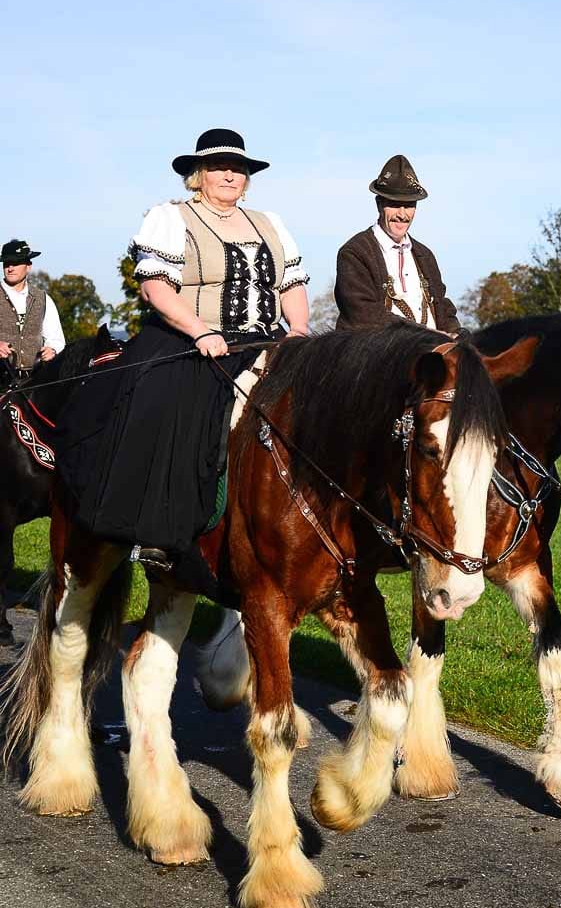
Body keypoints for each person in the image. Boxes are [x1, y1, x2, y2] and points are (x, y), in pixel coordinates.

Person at [56, 128, 309, 574]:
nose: (230, 175)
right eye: (219, 167)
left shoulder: (270, 223)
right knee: (171, 400)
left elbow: (290, 284)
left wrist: (300, 328)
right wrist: (199, 331)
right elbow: (155, 288)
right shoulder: (171, 218)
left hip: (266, 339)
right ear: (198, 175)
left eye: (238, 169)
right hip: (191, 338)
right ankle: (159, 529)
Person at [334, 154, 461, 333]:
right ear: (379, 204)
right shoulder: (354, 253)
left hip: (432, 348)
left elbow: (442, 307)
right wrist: (424, 336)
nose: (402, 214)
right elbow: (364, 315)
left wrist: (456, 333)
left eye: (409, 205)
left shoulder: (425, 255)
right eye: (394, 204)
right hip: (378, 348)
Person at [0, 239, 65, 375]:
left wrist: (52, 350)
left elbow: (56, 339)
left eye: (16, 263)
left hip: (36, 378)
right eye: (6, 264)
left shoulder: (43, 299)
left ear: (28, 266)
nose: (10, 269)